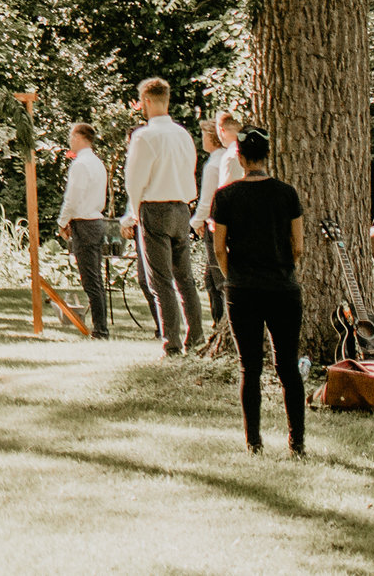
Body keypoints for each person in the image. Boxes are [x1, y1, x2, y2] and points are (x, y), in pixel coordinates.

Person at [208, 128, 305, 454]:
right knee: (288, 367)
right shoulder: (287, 193)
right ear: (267, 155)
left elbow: (219, 248)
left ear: (240, 157)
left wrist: (232, 274)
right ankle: (297, 442)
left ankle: (253, 442)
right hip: (282, 288)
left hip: (243, 289)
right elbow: (299, 245)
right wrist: (282, 266)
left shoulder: (225, 196)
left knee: (249, 367)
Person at [123, 77, 204, 355]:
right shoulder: (183, 134)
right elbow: (191, 168)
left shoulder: (143, 136)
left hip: (154, 208)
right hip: (182, 207)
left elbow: (134, 180)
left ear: (145, 101)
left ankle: (172, 342)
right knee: (185, 277)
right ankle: (197, 337)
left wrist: (134, 213)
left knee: (160, 280)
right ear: (167, 100)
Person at [55, 121, 112, 340]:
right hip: (96, 220)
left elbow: (73, 197)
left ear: (79, 137)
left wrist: (62, 221)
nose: (70, 140)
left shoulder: (80, 164)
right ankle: (101, 326)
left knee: (90, 279)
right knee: (95, 278)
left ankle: (100, 329)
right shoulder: (97, 162)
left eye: (71, 136)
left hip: (85, 223)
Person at [191, 111, 245, 338]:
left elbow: (213, 197)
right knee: (211, 277)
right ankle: (218, 321)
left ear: (218, 133)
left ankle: (224, 321)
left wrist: (198, 221)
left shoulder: (222, 160)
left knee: (218, 275)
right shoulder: (232, 154)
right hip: (227, 218)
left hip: (222, 220)